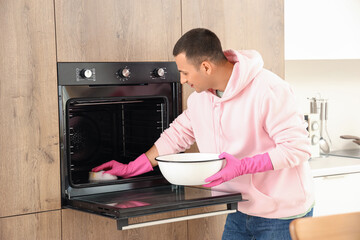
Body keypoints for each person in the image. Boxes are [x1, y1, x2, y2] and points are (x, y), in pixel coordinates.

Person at [92, 28, 314, 240]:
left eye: (185, 72)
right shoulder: (201, 98)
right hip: (240, 207)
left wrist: (243, 166)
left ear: (206, 67)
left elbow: (297, 148)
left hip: (281, 213)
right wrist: (134, 166)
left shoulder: (269, 90)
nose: (182, 80)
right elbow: (177, 135)